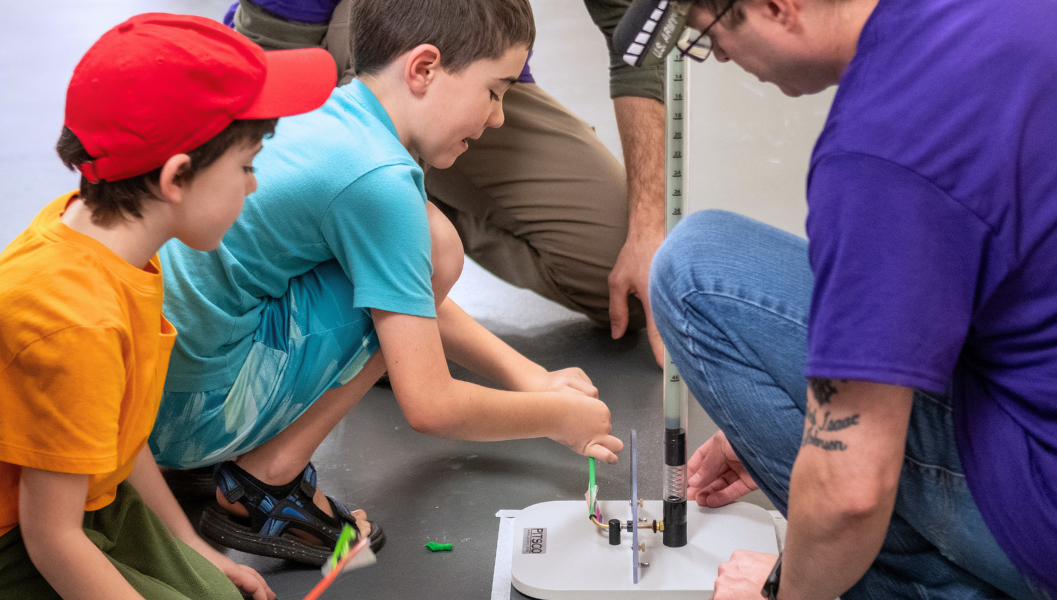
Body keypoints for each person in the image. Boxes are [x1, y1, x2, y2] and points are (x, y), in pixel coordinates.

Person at [635, 0, 1057, 598]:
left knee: (694, 270)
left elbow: (850, 493)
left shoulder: (881, 145)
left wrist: (780, 592)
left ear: (778, 7)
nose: (718, 54)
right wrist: (793, 419)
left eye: (711, 34)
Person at [150, 0, 625, 564]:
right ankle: (268, 477)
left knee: (424, 248)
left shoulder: (334, 111)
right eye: (495, 91)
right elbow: (431, 405)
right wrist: (557, 418)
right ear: (423, 69)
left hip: (150, 397)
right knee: (436, 246)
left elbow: (397, 292)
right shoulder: (379, 180)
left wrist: (528, 376)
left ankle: (251, 464)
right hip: (190, 423)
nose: (498, 117)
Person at [0, 13, 337, 599]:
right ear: (177, 176)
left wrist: (195, 550)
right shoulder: (75, 320)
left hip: (92, 496)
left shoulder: (108, 240)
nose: (253, 185)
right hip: (22, 537)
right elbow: (51, 538)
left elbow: (121, 436)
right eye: (247, 165)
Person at [222, 0, 671, 365]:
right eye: (495, 99)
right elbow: (269, 61)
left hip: (470, 56)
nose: (497, 118)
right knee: (380, 333)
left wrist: (647, 228)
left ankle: (412, 196)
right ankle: (374, 220)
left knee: (623, 287)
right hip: (327, 53)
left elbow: (634, 37)